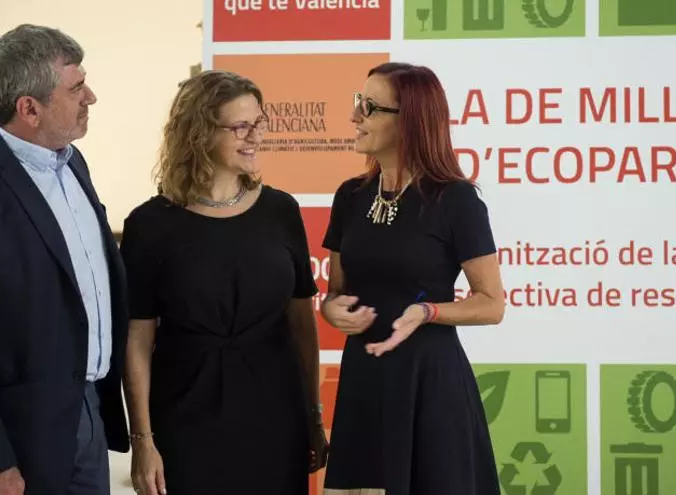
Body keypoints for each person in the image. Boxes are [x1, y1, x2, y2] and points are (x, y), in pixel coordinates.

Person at [119, 70, 328, 495]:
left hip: (276, 416)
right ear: (199, 133)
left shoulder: (282, 211)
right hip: (185, 418)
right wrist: (142, 440)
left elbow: (302, 325)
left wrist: (314, 416)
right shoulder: (149, 224)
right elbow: (137, 340)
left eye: (260, 123)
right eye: (241, 126)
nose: (256, 136)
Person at [320, 62, 506, 495]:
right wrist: (332, 310)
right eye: (358, 101)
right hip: (365, 378)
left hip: (428, 381)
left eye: (370, 107)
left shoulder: (456, 200)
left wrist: (427, 312)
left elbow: (491, 304)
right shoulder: (350, 197)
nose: (355, 116)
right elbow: (336, 294)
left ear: (411, 121)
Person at [0, 24, 130, 495]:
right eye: (76, 89)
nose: (90, 97)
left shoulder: (73, 162)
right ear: (29, 109)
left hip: (89, 410)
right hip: (23, 438)